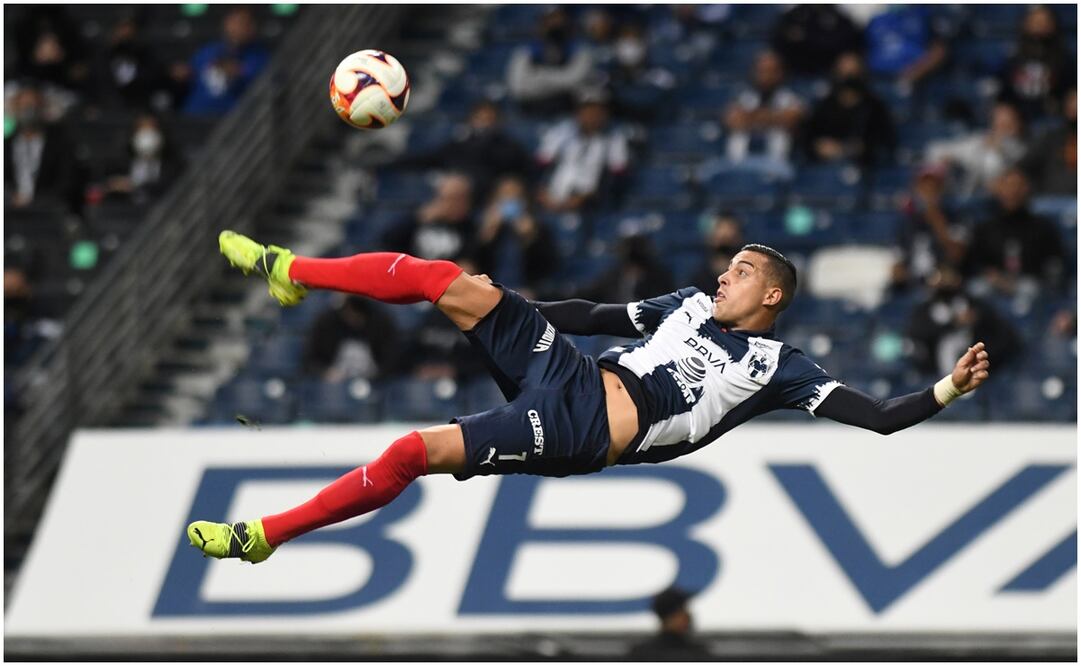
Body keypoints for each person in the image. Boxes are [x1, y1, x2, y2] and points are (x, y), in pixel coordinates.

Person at [187, 230, 992, 563]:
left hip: (581, 426)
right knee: (445, 279)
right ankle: (290, 271)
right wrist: (506, 305)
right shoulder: (685, 302)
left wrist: (947, 388)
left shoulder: (778, 365)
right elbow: (593, 315)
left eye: (741, 272)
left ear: (772, 295)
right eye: (726, 268)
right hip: (565, 371)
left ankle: (265, 536)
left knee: (411, 451)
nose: (723, 277)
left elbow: (879, 418)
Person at [391, 99, 535, 204]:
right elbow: (429, 158)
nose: (484, 124)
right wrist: (391, 162)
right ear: (471, 120)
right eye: (480, 119)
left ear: (498, 122)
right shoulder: (459, 145)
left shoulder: (508, 147)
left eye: (489, 119)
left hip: (488, 199)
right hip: (455, 197)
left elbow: (524, 170)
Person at [961, 168, 1066, 294]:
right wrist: (992, 276)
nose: (1013, 191)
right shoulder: (985, 228)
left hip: (1030, 286)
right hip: (993, 286)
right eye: (1008, 186)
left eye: (1018, 186)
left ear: (1027, 189)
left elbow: (1055, 264)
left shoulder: (1043, 227)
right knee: (976, 289)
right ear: (999, 190)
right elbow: (973, 264)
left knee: (1029, 289)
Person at [536, 89, 630, 213]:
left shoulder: (614, 139)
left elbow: (617, 179)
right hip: (551, 200)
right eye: (587, 110)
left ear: (606, 114)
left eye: (597, 111)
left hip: (590, 206)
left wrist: (587, 197)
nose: (591, 116)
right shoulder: (561, 132)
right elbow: (540, 167)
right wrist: (541, 192)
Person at [800, 52, 896, 167]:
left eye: (853, 73)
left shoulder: (874, 106)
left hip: (864, 166)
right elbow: (808, 140)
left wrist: (863, 147)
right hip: (825, 165)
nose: (848, 79)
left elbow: (886, 141)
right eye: (844, 73)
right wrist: (819, 146)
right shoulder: (823, 105)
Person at [722, 49, 804, 177]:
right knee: (707, 173)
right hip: (738, 162)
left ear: (781, 73)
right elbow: (734, 121)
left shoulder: (791, 99)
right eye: (761, 71)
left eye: (771, 71)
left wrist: (749, 117)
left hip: (776, 164)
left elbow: (790, 120)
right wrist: (775, 118)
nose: (766, 76)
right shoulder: (743, 97)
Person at [925, 101, 1027, 199]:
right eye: (999, 121)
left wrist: (998, 149)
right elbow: (936, 150)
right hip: (970, 194)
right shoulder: (980, 139)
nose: (1002, 126)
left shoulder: (1022, 149)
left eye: (1008, 123)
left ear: (1018, 123)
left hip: (1000, 198)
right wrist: (946, 158)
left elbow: (1002, 172)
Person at [474, 175, 558, 294]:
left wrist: (530, 238)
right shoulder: (484, 223)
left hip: (527, 290)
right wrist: (488, 235)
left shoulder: (538, 225)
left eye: (515, 196)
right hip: (491, 289)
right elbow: (476, 263)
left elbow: (546, 265)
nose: (510, 199)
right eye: (505, 195)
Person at [506, 6, 596, 117]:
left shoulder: (580, 50)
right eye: (549, 20)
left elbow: (575, 81)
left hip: (569, 115)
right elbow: (518, 87)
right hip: (532, 112)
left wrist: (539, 76)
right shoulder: (525, 51)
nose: (554, 24)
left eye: (558, 19)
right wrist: (562, 79)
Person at [180, 7, 269, 115]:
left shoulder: (260, 57)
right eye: (233, 22)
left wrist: (237, 72)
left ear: (252, 27)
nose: (236, 28)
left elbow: (259, 84)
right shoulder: (208, 50)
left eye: (242, 23)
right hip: (195, 114)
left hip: (232, 118)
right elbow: (191, 72)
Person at [999, 4, 1075, 121]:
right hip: (1018, 116)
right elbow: (1004, 92)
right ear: (1026, 23)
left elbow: (1071, 88)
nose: (1040, 25)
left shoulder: (1065, 57)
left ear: (1053, 23)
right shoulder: (1013, 56)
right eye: (1036, 21)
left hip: (1057, 115)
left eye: (1045, 21)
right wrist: (1005, 109)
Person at [302, 296, 401, 382]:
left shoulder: (382, 322)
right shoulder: (326, 322)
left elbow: (392, 359)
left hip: (377, 382)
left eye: (357, 316)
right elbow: (310, 360)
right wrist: (325, 372)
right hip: (335, 384)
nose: (353, 318)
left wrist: (378, 375)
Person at [380, 173, 476, 261]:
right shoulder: (416, 220)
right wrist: (419, 218)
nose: (452, 205)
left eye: (459, 199)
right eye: (448, 199)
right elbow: (389, 242)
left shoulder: (469, 228)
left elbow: (469, 259)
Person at [1019, 87, 1076, 197]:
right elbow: (1024, 165)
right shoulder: (1051, 137)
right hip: (1050, 198)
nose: (1075, 105)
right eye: (1072, 100)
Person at [627, 586, 710, 661]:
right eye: (682, 610)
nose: (688, 616)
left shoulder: (640, 654)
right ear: (669, 617)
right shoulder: (697, 655)